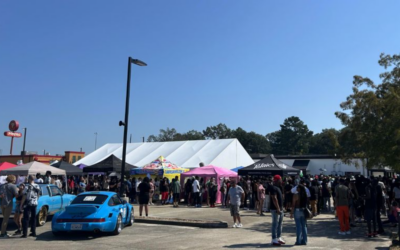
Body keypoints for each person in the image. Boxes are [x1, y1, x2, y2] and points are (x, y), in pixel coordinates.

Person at [268, 175, 285, 246]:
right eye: (280, 179)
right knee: (275, 223)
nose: (281, 180)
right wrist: (278, 208)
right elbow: (274, 198)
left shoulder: (279, 187)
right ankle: (274, 238)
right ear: (277, 180)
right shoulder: (273, 188)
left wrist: (281, 207)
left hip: (280, 208)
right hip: (275, 209)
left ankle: (278, 237)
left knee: (280, 224)